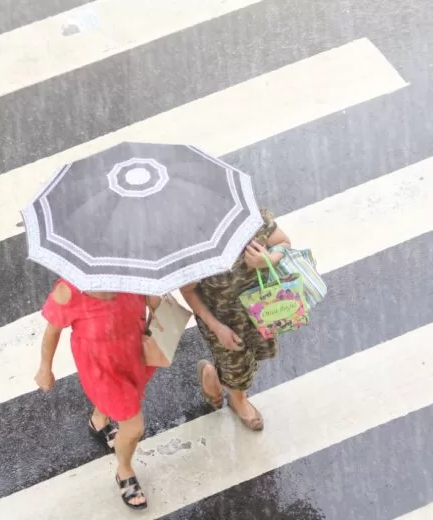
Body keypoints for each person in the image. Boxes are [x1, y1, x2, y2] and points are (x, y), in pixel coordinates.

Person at [34, 279, 161, 510]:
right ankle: (124, 469)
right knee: (133, 428)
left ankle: (99, 420)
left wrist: (156, 301)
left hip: (133, 355)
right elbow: (52, 331)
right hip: (102, 371)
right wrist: (45, 368)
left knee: (116, 402)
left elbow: (154, 306)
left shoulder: (134, 275)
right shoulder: (68, 291)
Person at [180, 208, 291, 431]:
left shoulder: (250, 217)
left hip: (261, 307)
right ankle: (237, 399)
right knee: (237, 367)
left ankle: (214, 376)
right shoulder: (191, 245)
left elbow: (283, 242)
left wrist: (268, 259)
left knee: (252, 357)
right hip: (224, 320)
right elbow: (189, 291)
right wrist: (217, 327)